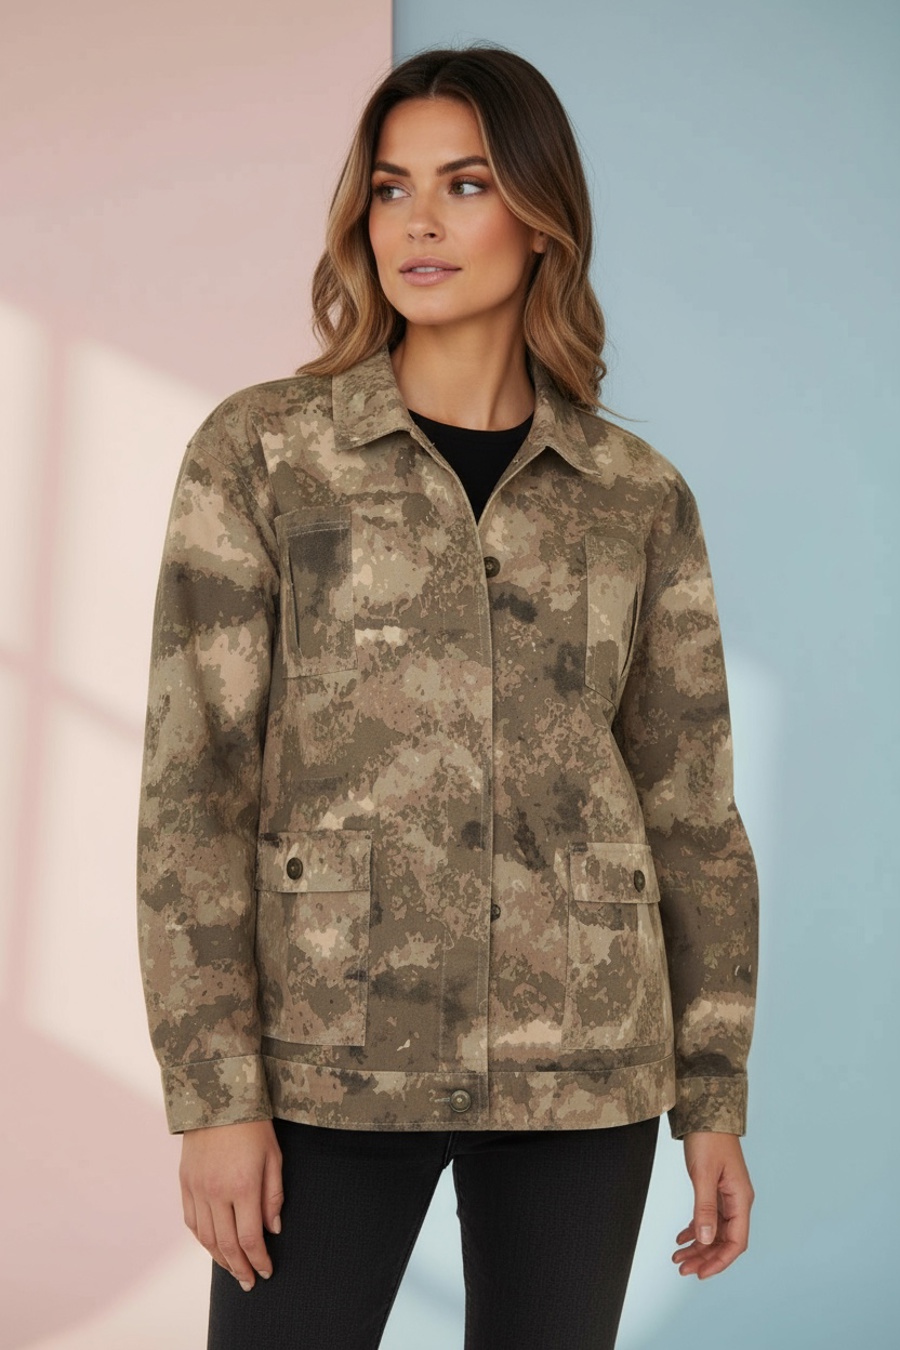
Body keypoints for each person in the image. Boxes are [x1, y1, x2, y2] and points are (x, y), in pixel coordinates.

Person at [137, 42, 758, 1350]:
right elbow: (196, 791)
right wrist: (215, 1094)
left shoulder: (636, 496)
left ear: (540, 220)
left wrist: (714, 1098)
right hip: (328, 1058)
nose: (418, 220)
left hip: (585, 1063)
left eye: (466, 184)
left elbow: (692, 816)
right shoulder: (264, 455)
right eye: (391, 186)